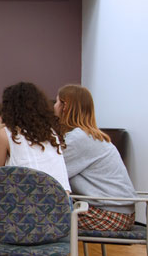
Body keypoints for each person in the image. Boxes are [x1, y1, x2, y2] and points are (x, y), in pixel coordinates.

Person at [0, 81, 69, 256]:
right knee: (25, 227)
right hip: (58, 221)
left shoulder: (6, 134)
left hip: (23, 222)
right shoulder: (53, 135)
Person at [55, 84, 137, 232]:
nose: (54, 107)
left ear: (65, 106)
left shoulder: (79, 138)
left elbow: (53, 172)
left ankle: (54, 255)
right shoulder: (89, 135)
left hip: (109, 215)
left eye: (56, 102)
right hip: (118, 211)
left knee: (42, 217)